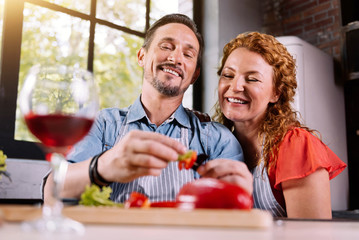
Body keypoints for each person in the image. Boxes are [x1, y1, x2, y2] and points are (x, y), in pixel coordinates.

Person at [43, 14, 253, 204]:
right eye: (166, 46)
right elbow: (52, 189)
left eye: (188, 54)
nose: (176, 58)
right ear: (141, 57)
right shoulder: (104, 124)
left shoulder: (217, 140)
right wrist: (104, 166)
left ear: (194, 75)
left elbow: (231, 215)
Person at [212, 32, 346, 219]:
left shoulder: (296, 146)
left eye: (252, 79)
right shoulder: (216, 143)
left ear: (276, 93)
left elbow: (312, 236)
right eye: (228, 75)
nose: (235, 86)